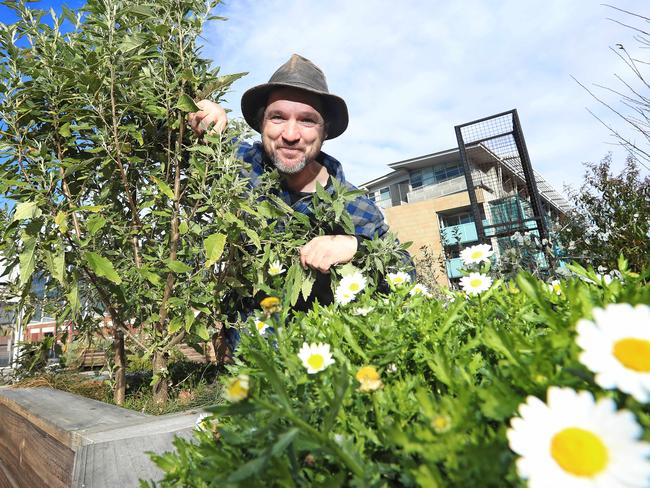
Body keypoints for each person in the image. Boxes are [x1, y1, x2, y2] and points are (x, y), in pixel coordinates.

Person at [188, 54, 408, 310]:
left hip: (313, 345)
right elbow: (174, 127)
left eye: (306, 120)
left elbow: (404, 272)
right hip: (246, 344)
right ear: (261, 124)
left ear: (325, 131)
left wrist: (356, 246)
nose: (290, 135)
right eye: (278, 117)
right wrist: (201, 109)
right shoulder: (240, 164)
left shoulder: (356, 208)